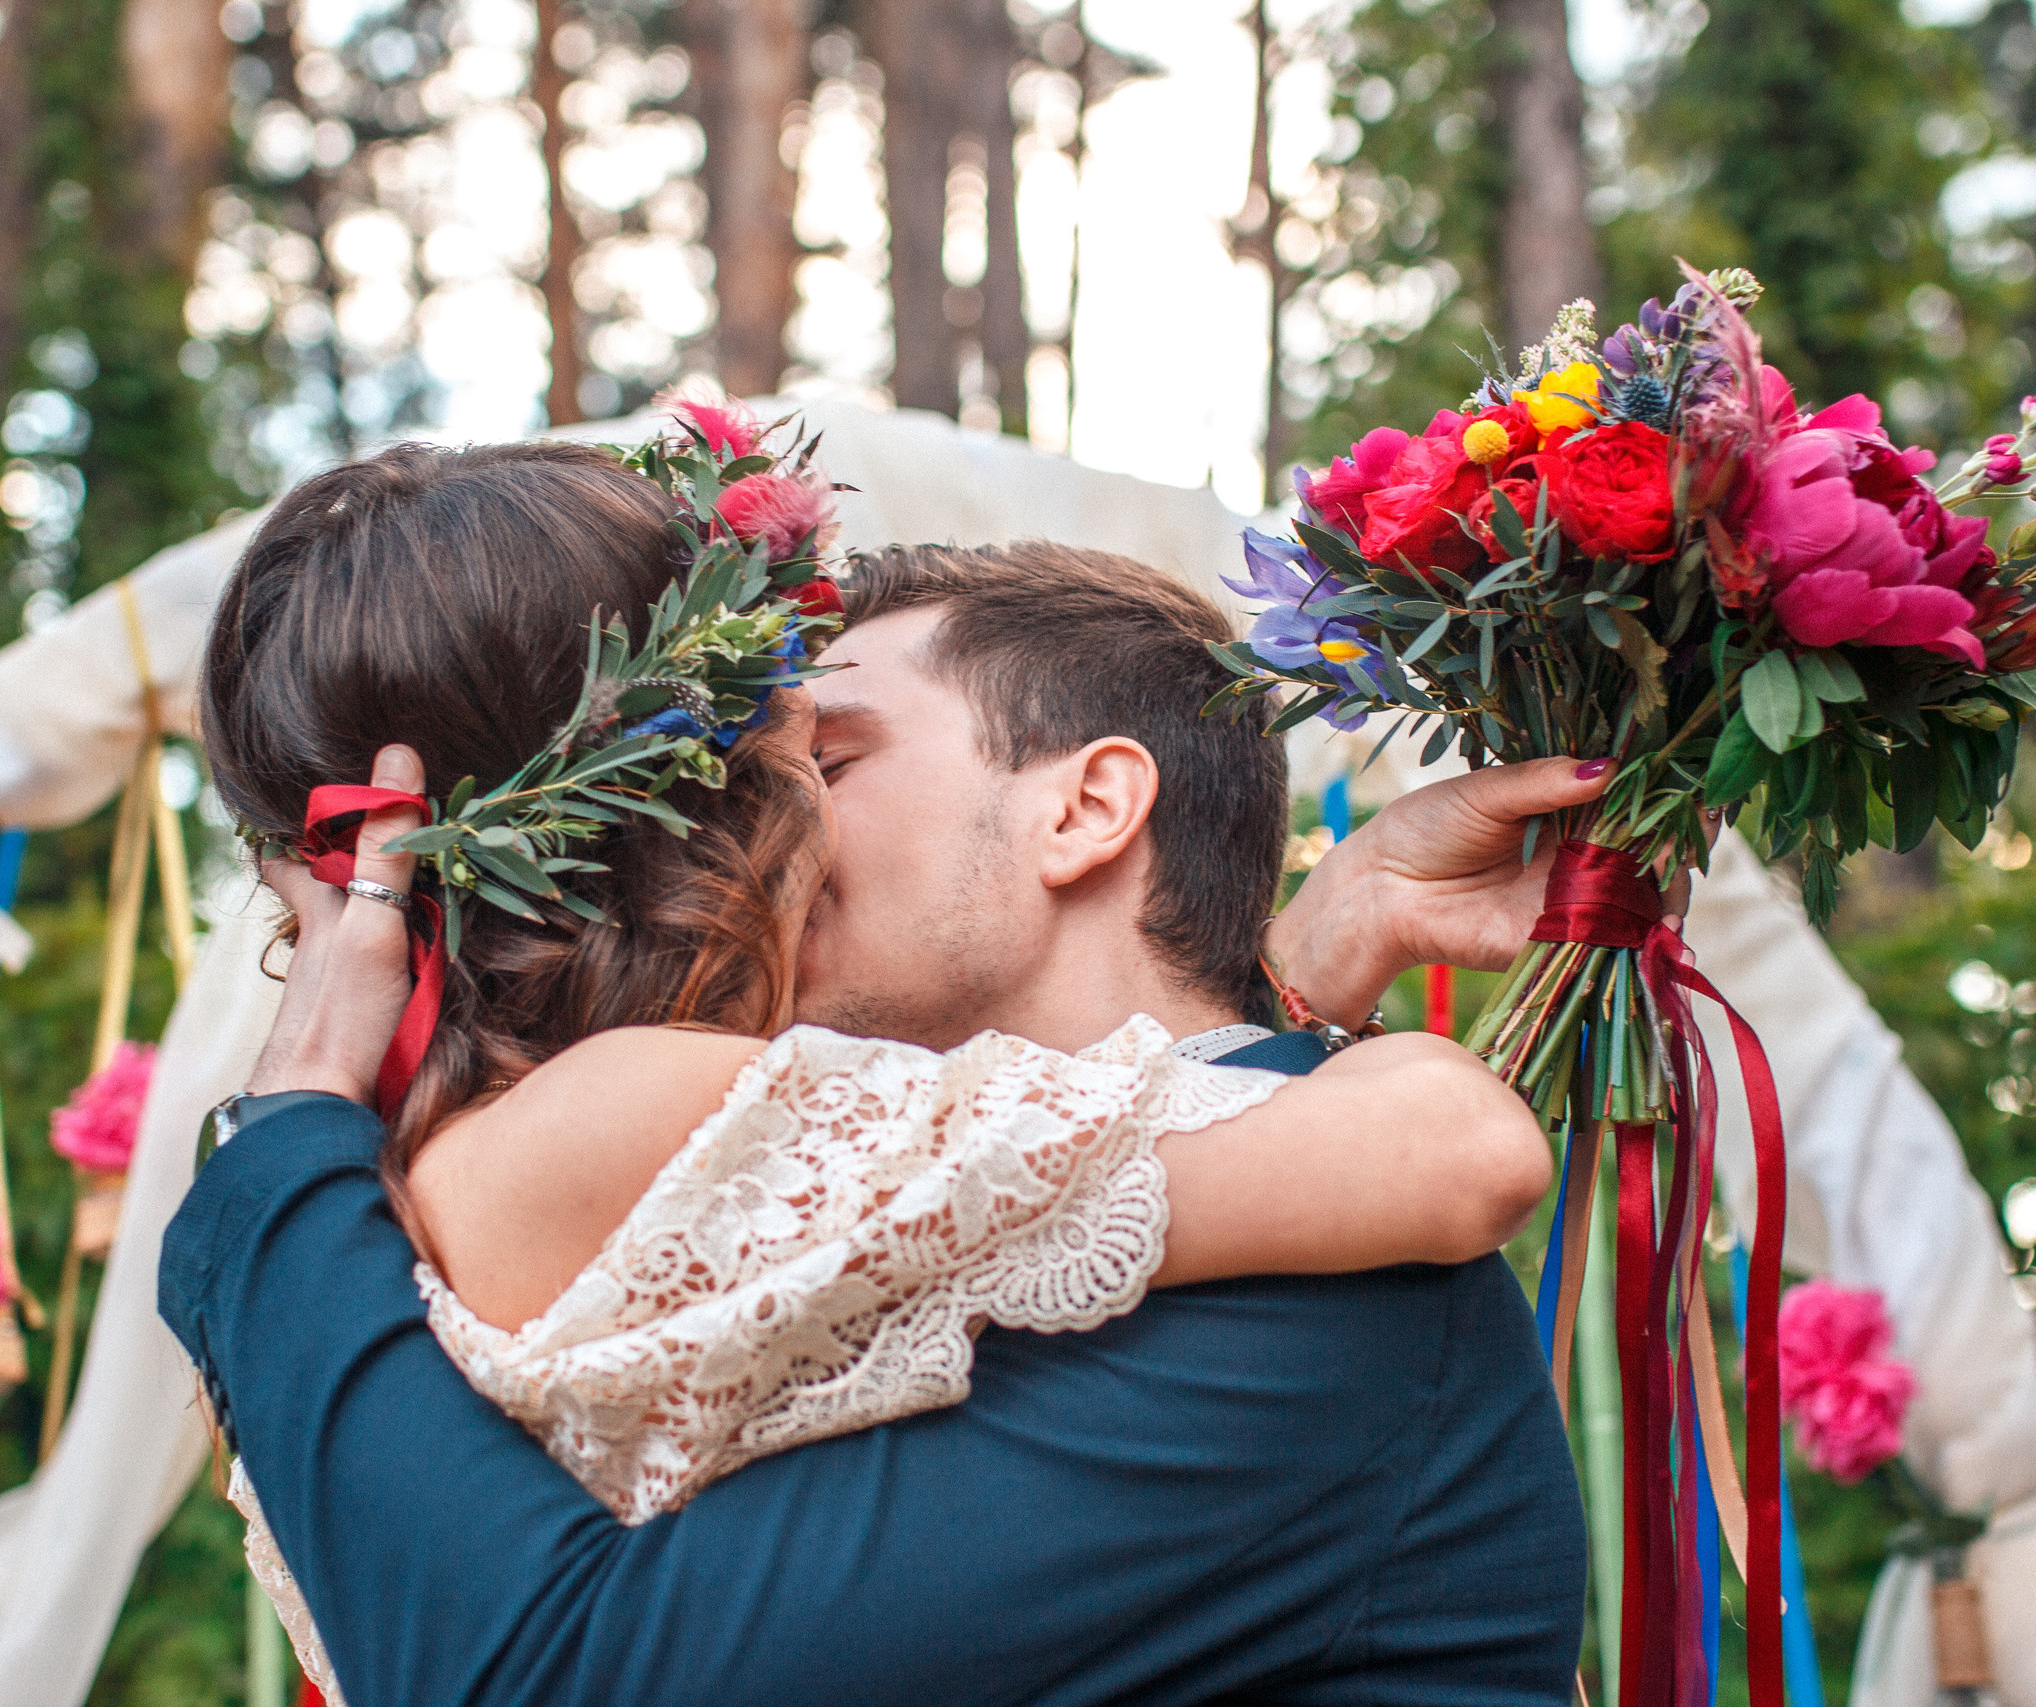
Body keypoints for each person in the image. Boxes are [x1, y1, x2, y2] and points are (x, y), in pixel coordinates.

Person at [162, 430, 1613, 1705]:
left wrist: (276, 1171)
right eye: (752, 757)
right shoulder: (672, 1149)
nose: (774, 812)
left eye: (823, 756)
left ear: (1087, 808)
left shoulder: (1338, 1308)